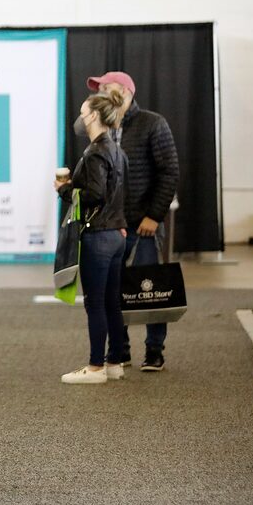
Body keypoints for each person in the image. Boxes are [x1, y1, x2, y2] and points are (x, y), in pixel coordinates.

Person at [87, 71, 179, 371]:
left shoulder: (153, 123)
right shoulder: (105, 127)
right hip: (113, 225)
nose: (99, 92)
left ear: (125, 91)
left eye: (104, 87)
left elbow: (169, 172)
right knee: (114, 292)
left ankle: (154, 350)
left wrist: (154, 215)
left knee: (153, 289)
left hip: (144, 223)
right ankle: (120, 350)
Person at [55, 90, 129, 384]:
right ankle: (115, 361)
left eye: (84, 112)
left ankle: (96, 367)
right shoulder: (116, 149)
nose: (81, 117)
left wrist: (65, 190)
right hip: (116, 234)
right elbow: (117, 192)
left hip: (98, 236)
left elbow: (95, 194)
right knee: (112, 302)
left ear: (95, 115)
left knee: (95, 303)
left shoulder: (97, 150)